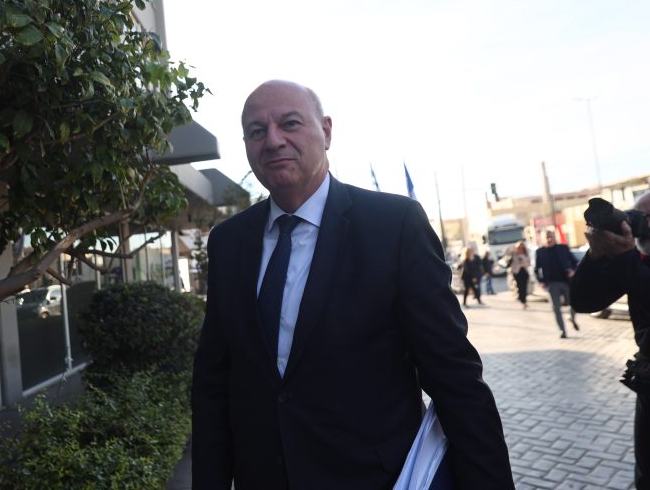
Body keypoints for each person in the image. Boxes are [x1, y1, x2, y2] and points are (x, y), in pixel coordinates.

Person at [191, 79, 514, 489]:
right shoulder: (228, 242)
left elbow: (453, 375)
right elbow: (214, 381)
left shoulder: (394, 225)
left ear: (326, 131)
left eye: (290, 123)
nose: (273, 141)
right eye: (257, 131)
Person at [570, 191, 650, 489]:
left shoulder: (631, 262)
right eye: (635, 215)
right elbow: (583, 300)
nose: (639, 223)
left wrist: (626, 260)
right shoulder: (634, 260)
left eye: (646, 217)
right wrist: (596, 255)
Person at [535, 229, 579, 338]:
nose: (549, 239)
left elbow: (574, 262)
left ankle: (572, 317)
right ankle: (562, 331)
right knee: (556, 308)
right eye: (547, 237)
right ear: (543, 239)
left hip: (566, 281)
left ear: (555, 237)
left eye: (551, 237)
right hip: (551, 284)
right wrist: (540, 281)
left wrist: (573, 271)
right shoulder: (540, 252)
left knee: (574, 303)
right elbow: (536, 269)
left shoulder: (563, 248)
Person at [510, 241, 531, 309]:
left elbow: (529, 263)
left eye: (522, 248)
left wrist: (523, 263)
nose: (520, 249)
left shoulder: (525, 254)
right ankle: (522, 300)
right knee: (520, 287)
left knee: (524, 287)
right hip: (517, 272)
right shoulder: (514, 254)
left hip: (524, 272)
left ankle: (524, 301)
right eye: (519, 248)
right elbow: (511, 264)